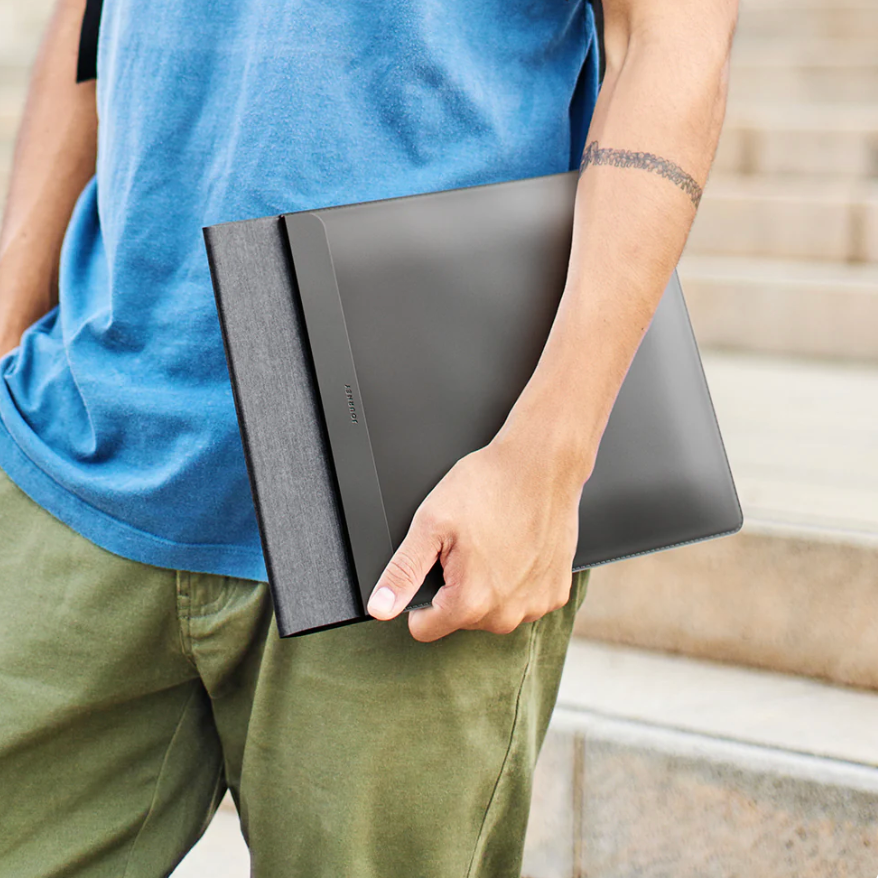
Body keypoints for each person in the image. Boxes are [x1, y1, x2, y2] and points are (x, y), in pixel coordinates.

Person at [0, 0, 737, 874]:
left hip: (411, 485)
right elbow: (81, 23)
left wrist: (546, 459)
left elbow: (672, 39)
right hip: (83, 431)